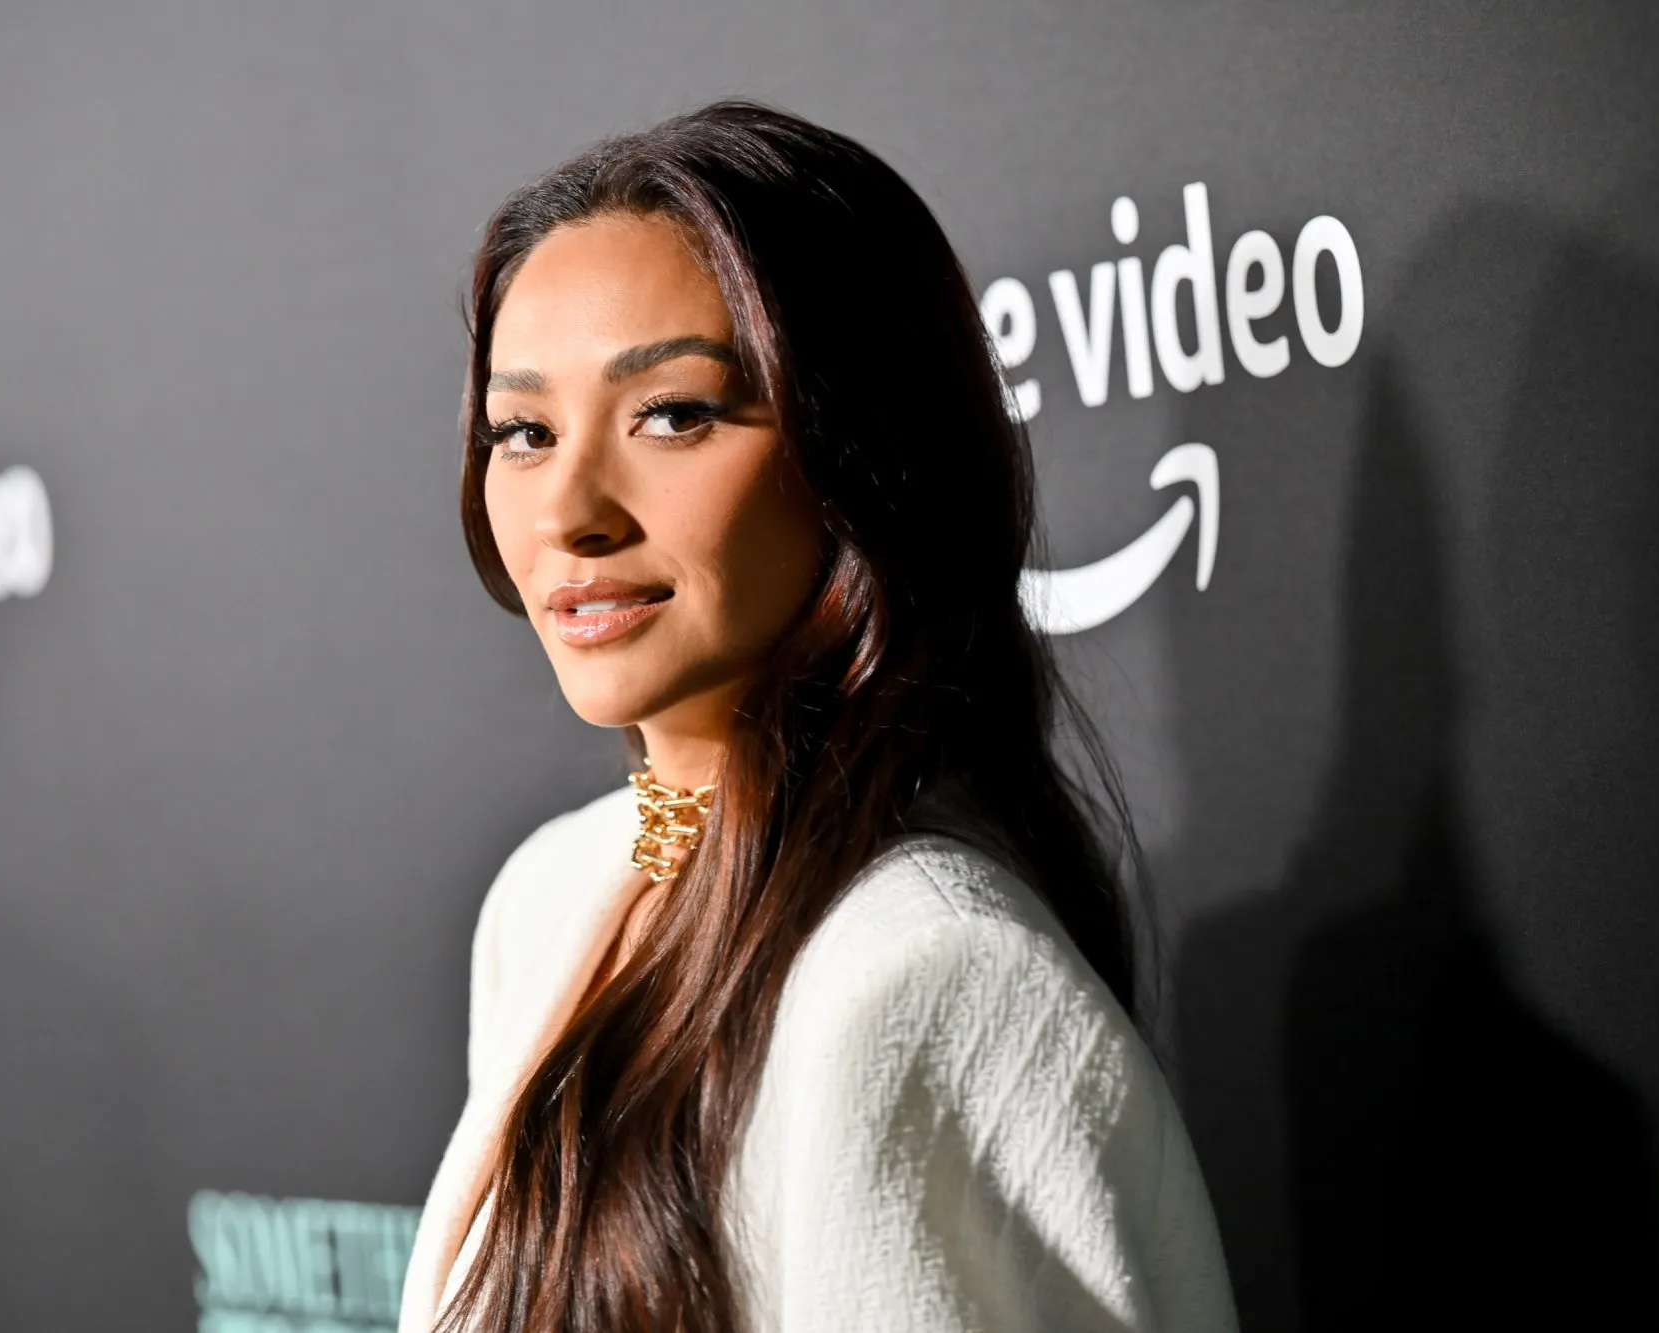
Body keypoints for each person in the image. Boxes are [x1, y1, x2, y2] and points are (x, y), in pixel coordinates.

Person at [396, 99, 1239, 1333]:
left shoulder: (924, 974)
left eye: (672, 414)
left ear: (860, 451)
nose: (568, 506)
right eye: (521, 431)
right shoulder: (543, 901)